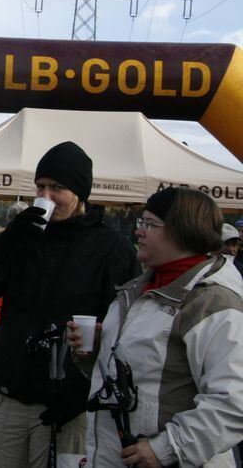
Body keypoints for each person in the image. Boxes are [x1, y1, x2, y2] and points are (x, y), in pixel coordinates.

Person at [0, 140, 139, 468]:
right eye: (41, 186)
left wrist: (81, 390)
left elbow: (126, 329)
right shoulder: (23, 237)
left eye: (57, 187)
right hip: (7, 393)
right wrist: (8, 242)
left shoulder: (111, 248)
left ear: (80, 194)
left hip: (69, 403)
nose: (46, 196)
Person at [69, 188, 243, 467]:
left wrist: (167, 448)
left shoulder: (212, 302)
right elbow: (145, 376)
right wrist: (99, 351)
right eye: (141, 222)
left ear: (183, 231)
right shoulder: (137, 290)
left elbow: (234, 402)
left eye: (150, 224)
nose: (139, 231)